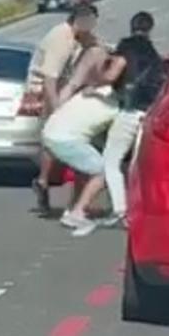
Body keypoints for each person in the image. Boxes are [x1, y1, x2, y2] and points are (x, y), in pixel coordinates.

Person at [41, 34, 118, 236]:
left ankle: (74, 206)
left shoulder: (94, 90)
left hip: (52, 131)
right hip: (64, 139)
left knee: (85, 168)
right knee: (102, 171)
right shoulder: (116, 103)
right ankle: (76, 213)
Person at [28, 3, 99, 215]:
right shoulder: (62, 39)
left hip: (62, 89)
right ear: (79, 20)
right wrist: (57, 108)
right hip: (45, 91)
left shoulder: (77, 36)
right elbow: (50, 78)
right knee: (56, 135)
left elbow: (96, 46)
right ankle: (44, 181)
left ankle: (52, 183)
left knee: (62, 137)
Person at [96, 11, 165, 227]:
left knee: (111, 159)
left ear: (131, 25)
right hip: (149, 111)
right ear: (151, 28)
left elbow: (112, 74)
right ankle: (140, 210)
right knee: (137, 164)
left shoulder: (127, 46)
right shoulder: (154, 54)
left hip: (130, 108)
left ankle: (120, 210)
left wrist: (96, 78)